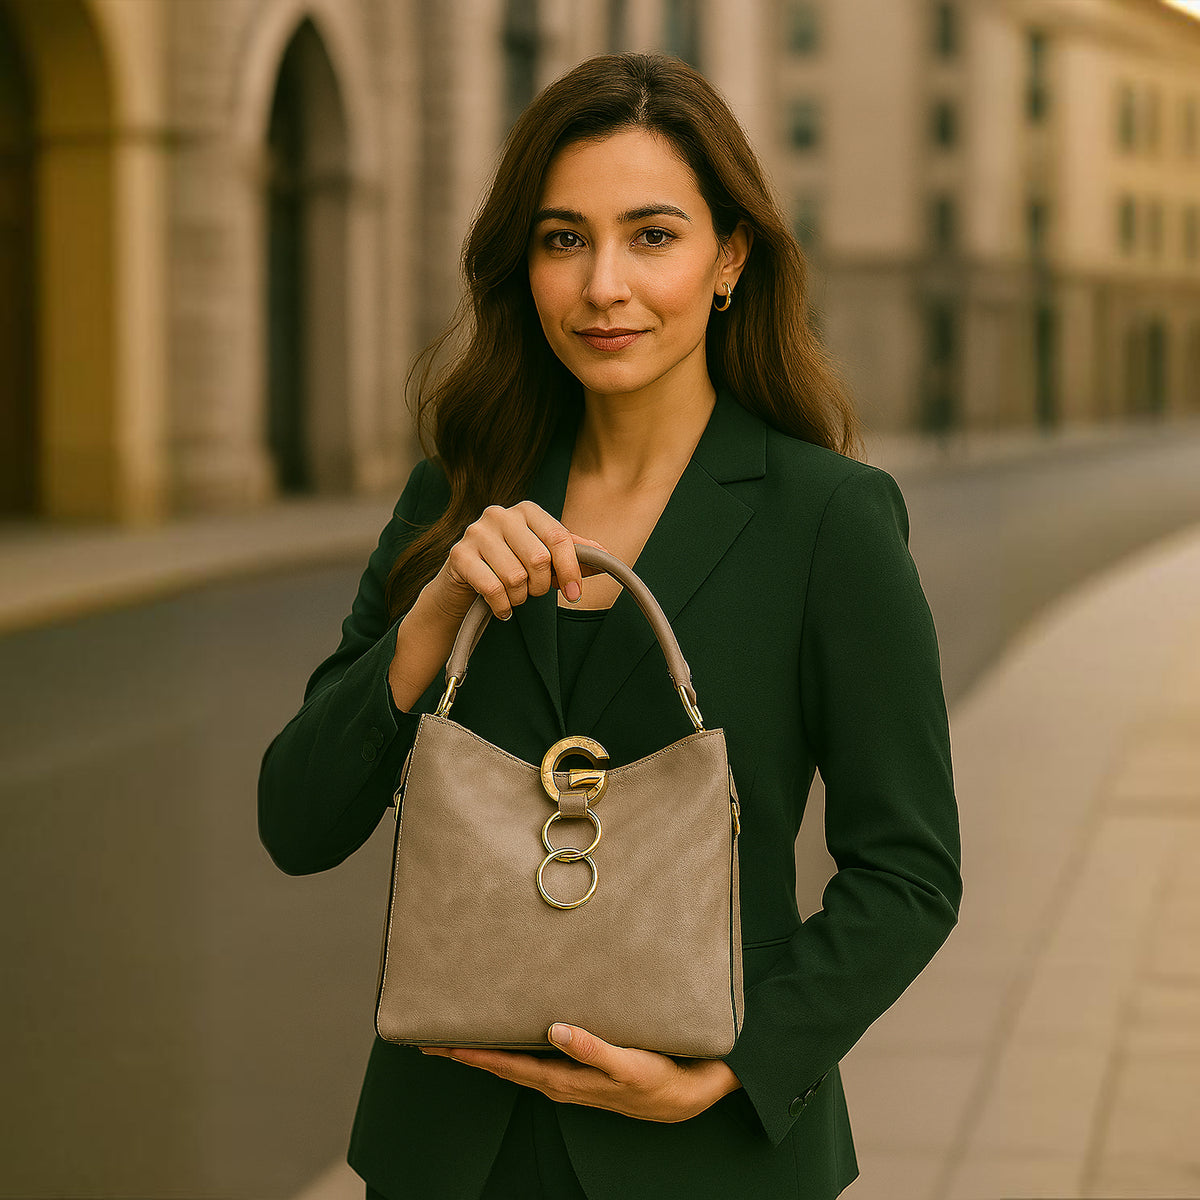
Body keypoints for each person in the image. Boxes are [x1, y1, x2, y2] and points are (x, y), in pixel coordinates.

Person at [258, 52, 961, 1200]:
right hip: (448, 1157)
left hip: (706, 1162)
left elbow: (910, 873)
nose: (604, 288)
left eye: (653, 235)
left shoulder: (828, 520)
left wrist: (734, 1068)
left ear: (729, 257)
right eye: (564, 239)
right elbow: (295, 819)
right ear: (524, 265)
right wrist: (435, 614)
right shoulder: (455, 493)